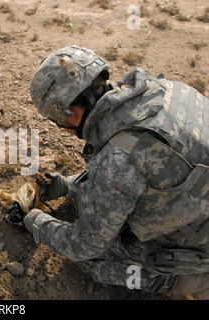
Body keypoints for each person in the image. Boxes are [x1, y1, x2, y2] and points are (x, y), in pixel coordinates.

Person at [26, 45, 209, 298]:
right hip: (197, 205)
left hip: (201, 248)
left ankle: (178, 282)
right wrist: (69, 186)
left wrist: (35, 222)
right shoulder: (163, 90)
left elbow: (84, 245)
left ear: (69, 114)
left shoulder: (117, 157)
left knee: (93, 262)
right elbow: (148, 169)